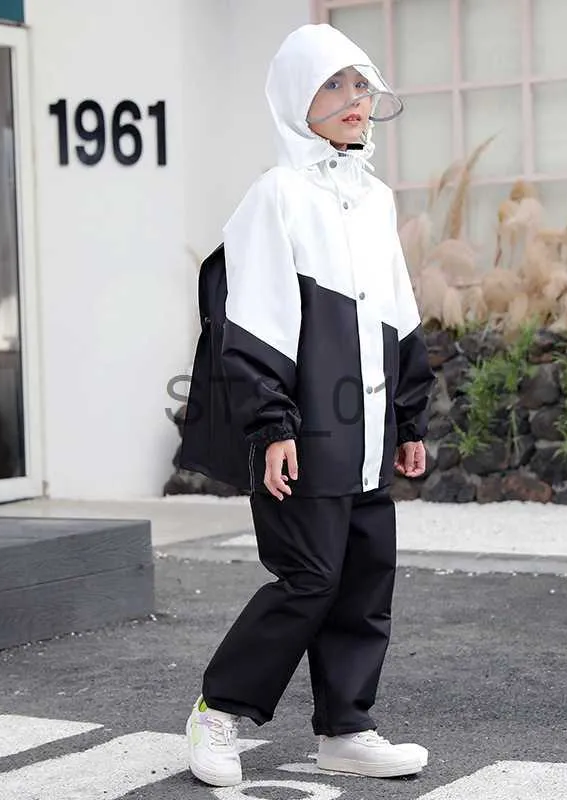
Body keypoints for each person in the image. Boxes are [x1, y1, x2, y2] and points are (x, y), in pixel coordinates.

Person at [182, 22, 435, 789]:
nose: (355, 100)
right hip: (302, 430)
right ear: (299, 99)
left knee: (364, 577)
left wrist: (411, 418)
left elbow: (398, 308)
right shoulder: (277, 196)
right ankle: (219, 711)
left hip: (363, 431)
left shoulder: (372, 198)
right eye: (334, 86)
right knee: (307, 578)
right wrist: (271, 428)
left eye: (360, 85)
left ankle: (346, 727)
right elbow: (253, 316)